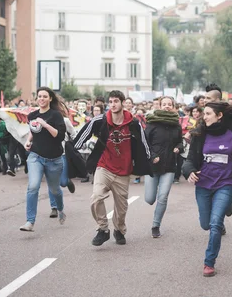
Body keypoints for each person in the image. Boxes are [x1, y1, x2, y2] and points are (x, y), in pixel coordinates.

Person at [182, 102, 232, 277]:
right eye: (204, 114)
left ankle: (209, 263)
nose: (205, 117)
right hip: (203, 185)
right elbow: (188, 161)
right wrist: (188, 172)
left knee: (215, 224)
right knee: (205, 224)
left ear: (219, 116)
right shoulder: (199, 134)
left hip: (226, 183)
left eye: (209, 113)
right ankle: (227, 206)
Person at [72, 90, 152, 246]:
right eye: (111, 101)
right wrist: (73, 149)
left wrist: (149, 161)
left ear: (123, 103)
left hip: (123, 171)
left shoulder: (133, 123)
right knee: (96, 197)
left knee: (121, 209)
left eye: (116, 101)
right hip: (104, 167)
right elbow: (83, 135)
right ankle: (103, 229)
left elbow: (144, 144)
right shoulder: (100, 120)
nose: (113, 104)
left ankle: (119, 230)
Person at [19, 87, 68, 231]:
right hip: (36, 156)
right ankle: (30, 222)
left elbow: (59, 136)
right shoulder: (32, 115)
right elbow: (34, 131)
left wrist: (45, 124)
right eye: (39, 96)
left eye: (45, 96)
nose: (41, 99)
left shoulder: (56, 116)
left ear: (50, 99)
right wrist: (28, 141)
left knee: (54, 190)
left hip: (54, 159)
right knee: (33, 186)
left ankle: (60, 209)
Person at [144, 96, 183, 238]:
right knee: (149, 199)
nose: (167, 106)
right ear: (159, 106)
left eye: (169, 104)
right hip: (153, 166)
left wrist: (178, 148)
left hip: (169, 165)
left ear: (173, 107)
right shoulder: (152, 123)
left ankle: (156, 225)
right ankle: (150, 199)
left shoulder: (176, 125)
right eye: (164, 104)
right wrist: (153, 155)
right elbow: (145, 143)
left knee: (163, 197)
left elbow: (180, 142)